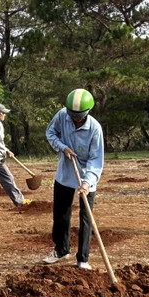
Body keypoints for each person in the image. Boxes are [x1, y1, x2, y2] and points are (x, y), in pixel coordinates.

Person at [42, 89, 104, 270]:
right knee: (61, 214)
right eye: (73, 116)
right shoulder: (62, 116)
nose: (76, 120)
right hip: (65, 173)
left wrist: (87, 183)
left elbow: (96, 160)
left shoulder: (95, 129)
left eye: (80, 117)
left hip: (87, 175)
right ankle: (61, 249)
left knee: (86, 217)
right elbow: (50, 133)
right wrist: (63, 148)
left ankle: (83, 259)